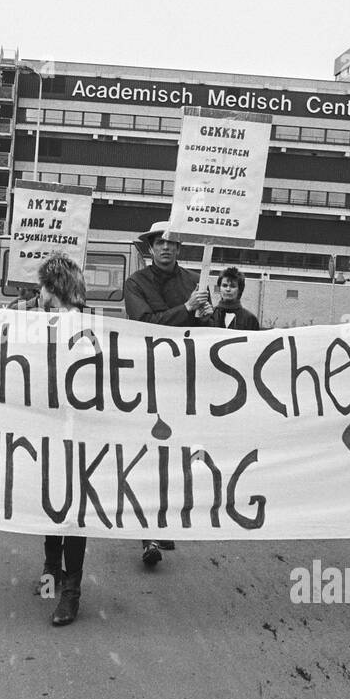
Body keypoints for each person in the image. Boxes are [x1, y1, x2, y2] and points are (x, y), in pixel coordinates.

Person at [123, 220, 209, 567]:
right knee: (149, 453)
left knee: (175, 455)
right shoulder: (135, 283)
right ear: (151, 247)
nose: (166, 248)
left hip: (182, 378)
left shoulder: (194, 282)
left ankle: (160, 519)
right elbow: (146, 325)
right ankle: (147, 534)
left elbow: (206, 331)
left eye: (172, 243)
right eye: (160, 242)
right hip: (147, 377)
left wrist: (206, 313)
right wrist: (187, 310)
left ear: (179, 249)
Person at [35, 255, 90, 625]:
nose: (37, 294)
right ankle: (51, 573)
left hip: (74, 428)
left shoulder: (81, 328)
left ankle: (70, 591)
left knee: (71, 511)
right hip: (47, 425)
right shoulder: (42, 325)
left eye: (41, 287)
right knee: (50, 501)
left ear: (53, 289)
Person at [200, 266, 260, 331]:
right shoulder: (209, 315)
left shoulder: (250, 319)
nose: (228, 289)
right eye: (224, 285)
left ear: (240, 290)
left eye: (233, 286)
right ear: (219, 288)